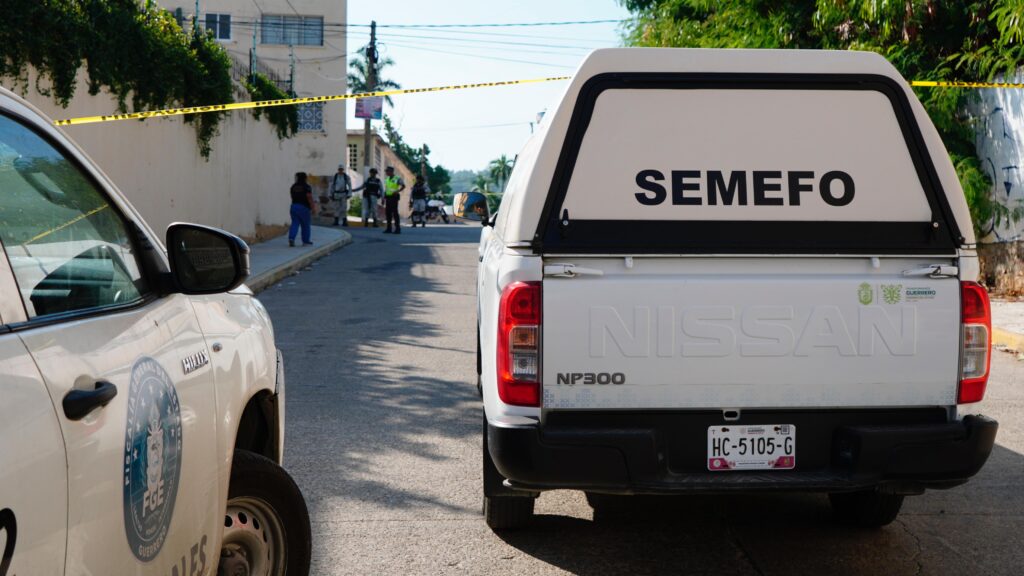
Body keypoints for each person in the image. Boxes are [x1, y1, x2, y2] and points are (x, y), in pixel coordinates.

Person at [288, 172, 316, 246]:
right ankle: (306, 241)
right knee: (305, 225)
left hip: (294, 206)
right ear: (305, 178)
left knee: (295, 223)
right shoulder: (306, 187)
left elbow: (292, 196)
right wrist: (313, 208)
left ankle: (291, 238)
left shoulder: (293, 187)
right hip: (304, 207)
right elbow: (309, 197)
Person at [382, 166, 406, 234]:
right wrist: (383, 198)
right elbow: (386, 189)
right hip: (388, 197)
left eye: (387, 171)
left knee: (395, 213)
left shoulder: (397, 178)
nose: (386, 172)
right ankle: (389, 228)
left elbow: (403, 186)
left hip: (394, 197)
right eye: (386, 171)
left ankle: (397, 229)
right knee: (388, 213)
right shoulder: (387, 179)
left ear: (391, 171)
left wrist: (397, 191)